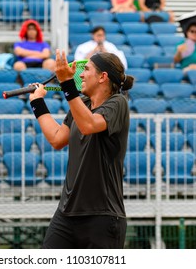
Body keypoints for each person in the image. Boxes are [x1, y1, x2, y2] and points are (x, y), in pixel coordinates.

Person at [30, 50, 133, 249]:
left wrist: (68, 83)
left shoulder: (118, 103)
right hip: (66, 214)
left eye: (86, 70)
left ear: (103, 77)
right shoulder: (82, 105)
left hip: (103, 216)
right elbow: (57, 139)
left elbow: (90, 125)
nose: (82, 75)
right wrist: (38, 104)